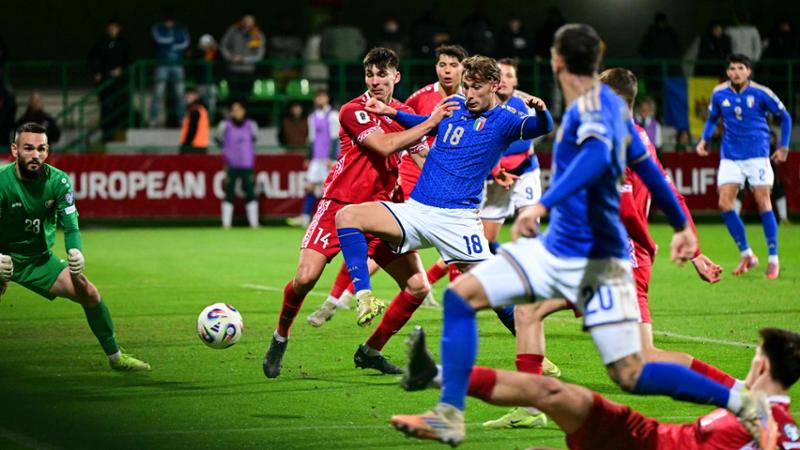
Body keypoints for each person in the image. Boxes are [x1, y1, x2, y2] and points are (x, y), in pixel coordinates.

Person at [389, 24, 769, 447]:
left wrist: (544, 204)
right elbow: (652, 174)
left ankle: (740, 398)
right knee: (481, 301)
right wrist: (682, 228)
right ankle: (453, 412)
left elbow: (594, 159)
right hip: (564, 247)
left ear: (557, 61)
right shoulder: (604, 110)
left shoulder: (595, 109)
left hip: (596, 256)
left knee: (631, 371)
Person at [481, 67, 734, 430]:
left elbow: (628, 208)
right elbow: (670, 191)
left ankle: (738, 393)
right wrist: (692, 250)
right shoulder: (640, 137)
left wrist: (648, 243)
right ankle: (532, 405)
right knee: (529, 312)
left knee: (639, 361)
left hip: (618, 259)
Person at [334, 55, 553, 379]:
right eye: (466, 86)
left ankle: (535, 357)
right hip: (417, 209)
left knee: (497, 293)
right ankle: (364, 296)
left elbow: (541, 127)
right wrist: (392, 112)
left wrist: (542, 110)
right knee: (347, 216)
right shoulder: (454, 104)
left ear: (494, 86)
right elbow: (424, 121)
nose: (469, 93)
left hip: (458, 221)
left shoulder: (507, 118)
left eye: (476, 87)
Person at [261, 47, 451, 379]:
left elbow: (424, 161)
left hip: (382, 213)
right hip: (339, 206)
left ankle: (370, 351)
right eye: (369, 75)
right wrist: (431, 122)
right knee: (305, 278)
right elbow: (383, 146)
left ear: (396, 77)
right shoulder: (353, 110)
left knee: (418, 287)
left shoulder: (404, 113)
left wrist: (455, 187)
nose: (375, 81)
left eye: (381, 74)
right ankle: (281, 336)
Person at [400, 326, 797, 450]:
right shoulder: (748, 398)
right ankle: (434, 375)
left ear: (760, 363)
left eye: (753, 356)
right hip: (644, 435)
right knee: (555, 393)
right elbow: (694, 369)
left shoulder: (775, 429)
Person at [0, 123, 150, 372]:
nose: (35, 155)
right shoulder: (2, 183)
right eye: (28, 148)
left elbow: (70, 227)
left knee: (88, 292)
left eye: (41, 148)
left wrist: (75, 251)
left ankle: (116, 358)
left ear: (47, 151)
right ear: (15, 150)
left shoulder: (59, 182)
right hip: (4, 256)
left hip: (38, 261)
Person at [696, 53, 791, 279]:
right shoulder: (719, 93)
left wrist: (784, 146)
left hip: (757, 154)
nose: (735, 72)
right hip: (730, 156)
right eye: (731, 68)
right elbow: (711, 119)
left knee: (762, 200)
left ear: (748, 71)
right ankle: (747, 253)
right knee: (724, 203)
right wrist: (704, 139)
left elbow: (785, 116)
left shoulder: (761, 93)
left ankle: (773, 258)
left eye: (740, 68)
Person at [288, 89, 339, 229]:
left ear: (327, 98)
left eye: (323, 96)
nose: (320, 99)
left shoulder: (333, 115)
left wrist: (332, 157)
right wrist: (308, 156)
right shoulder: (312, 117)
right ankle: (305, 217)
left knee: (327, 190)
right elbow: (311, 138)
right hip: (316, 159)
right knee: (310, 187)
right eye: (318, 97)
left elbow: (336, 138)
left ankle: (329, 218)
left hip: (328, 160)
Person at [216, 100, 259, 229]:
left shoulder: (251, 125)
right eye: (234, 110)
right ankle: (226, 224)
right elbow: (218, 140)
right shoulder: (225, 125)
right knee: (229, 193)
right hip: (231, 164)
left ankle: (254, 223)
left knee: (251, 192)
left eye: (239, 109)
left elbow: (254, 140)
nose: (237, 112)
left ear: (243, 111)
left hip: (247, 164)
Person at [89, 19, 132, 141]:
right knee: (106, 106)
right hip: (105, 82)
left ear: (119, 29)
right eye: (110, 28)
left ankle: (119, 132)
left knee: (119, 106)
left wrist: (121, 70)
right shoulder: (101, 43)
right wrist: (97, 72)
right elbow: (94, 58)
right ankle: (106, 133)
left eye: (115, 28)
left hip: (120, 83)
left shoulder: (124, 43)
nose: (112, 31)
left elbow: (130, 60)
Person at [148, 9, 189, 127]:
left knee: (180, 93)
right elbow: (159, 39)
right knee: (158, 92)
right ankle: (153, 119)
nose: (169, 21)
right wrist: (174, 42)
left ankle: (182, 119)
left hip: (177, 64)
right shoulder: (157, 28)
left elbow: (185, 42)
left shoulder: (181, 28)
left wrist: (171, 42)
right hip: (162, 64)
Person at [220, 13, 265, 100]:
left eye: (250, 20)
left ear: (254, 22)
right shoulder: (232, 30)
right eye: (245, 20)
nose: (247, 23)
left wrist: (243, 60)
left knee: (246, 96)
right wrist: (230, 58)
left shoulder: (258, 34)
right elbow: (223, 45)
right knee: (233, 96)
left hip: (249, 70)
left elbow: (259, 55)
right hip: (232, 69)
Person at [179, 88, 209, 153]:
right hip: (201, 145)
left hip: (193, 147)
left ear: (196, 96)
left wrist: (185, 146)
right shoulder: (201, 109)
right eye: (187, 95)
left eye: (190, 95)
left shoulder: (195, 110)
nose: (187, 97)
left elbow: (192, 129)